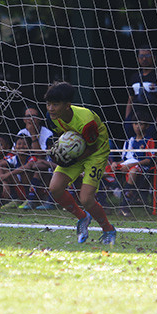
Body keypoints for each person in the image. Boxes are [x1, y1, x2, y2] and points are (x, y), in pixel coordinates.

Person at [44, 81, 117, 245]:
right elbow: (65, 135)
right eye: (48, 104)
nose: (51, 108)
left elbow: (93, 147)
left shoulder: (86, 122)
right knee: (55, 188)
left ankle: (108, 229)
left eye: (55, 104)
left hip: (96, 152)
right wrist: (60, 149)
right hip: (77, 150)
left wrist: (72, 159)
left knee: (86, 199)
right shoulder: (52, 117)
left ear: (68, 105)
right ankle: (83, 218)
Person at [123, 47, 157, 140]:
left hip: (150, 119)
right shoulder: (134, 77)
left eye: (147, 56)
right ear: (137, 58)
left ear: (154, 57)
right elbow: (130, 100)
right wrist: (127, 120)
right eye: (141, 56)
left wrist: (156, 123)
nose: (144, 59)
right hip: (135, 119)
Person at [109, 119, 156, 208]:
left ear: (147, 126)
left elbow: (148, 160)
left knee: (133, 172)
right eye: (135, 124)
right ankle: (104, 199)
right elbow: (124, 159)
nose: (138, 126)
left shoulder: (149, 140)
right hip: (127, 165)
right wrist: (115, 163)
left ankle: (124, 206)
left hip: (141, 167)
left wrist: (131, 165)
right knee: (105, 170)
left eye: (141, 124)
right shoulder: (128, 141)